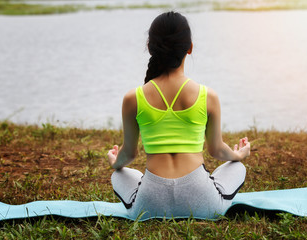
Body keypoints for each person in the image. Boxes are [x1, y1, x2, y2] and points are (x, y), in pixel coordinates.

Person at [107, 11, 250, 220]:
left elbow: (128, 154)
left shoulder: (133, 98)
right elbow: (217, 150)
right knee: (237, 168)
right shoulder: (208, 96)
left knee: (119, 174)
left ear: (150, 47)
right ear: (190, 47)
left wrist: (114, 162)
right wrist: (239, 155)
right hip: (201, 200)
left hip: (151, 204)